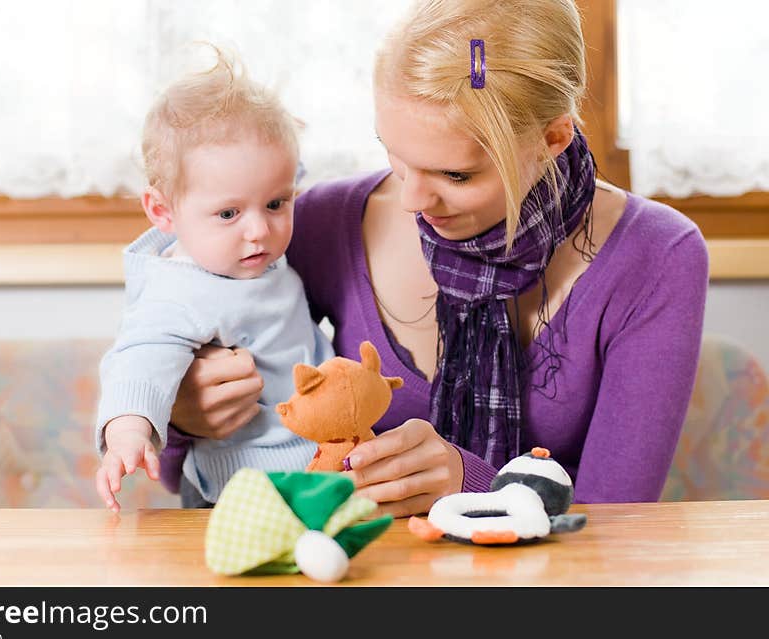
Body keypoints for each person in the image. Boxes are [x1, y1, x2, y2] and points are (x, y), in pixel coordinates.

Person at [164, 0, 709, 517]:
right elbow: (183, 471)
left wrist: (468, 483)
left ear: (551, 138)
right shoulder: (320, 223)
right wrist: (183, 416)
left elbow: (621, 525)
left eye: (456, 175)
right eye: (396, 157)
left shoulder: (657, 256)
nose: (412, 202)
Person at [94, 46, 332, 512]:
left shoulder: (244, 248)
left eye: (277, 204)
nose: (259, 229)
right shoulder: (181, 290)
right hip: (243, 486)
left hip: (313, 461)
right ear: (162, 211)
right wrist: (127, 430)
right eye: (229, 213)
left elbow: (272, 176)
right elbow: (141, 357)